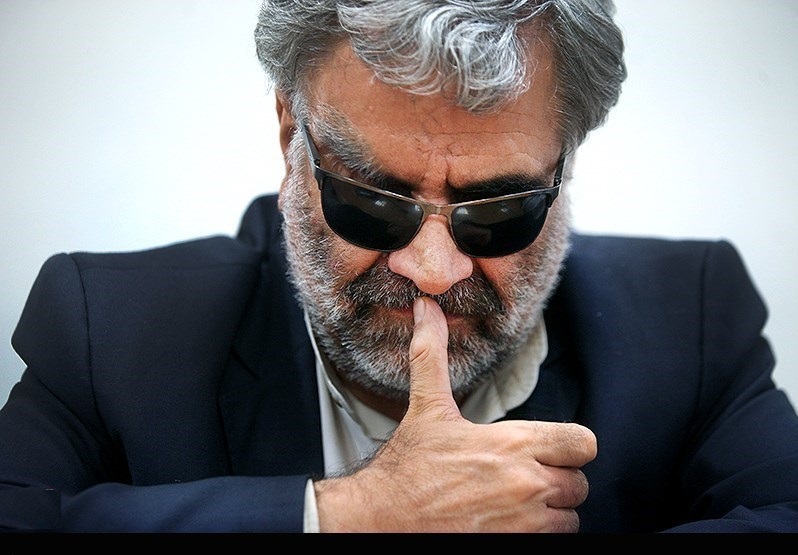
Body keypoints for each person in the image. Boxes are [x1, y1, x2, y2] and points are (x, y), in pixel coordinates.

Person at [1, 0, 797, 534]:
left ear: (565, 165)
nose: (432, 269)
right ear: (291, 137)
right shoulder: (107, 330)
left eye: (497, 211)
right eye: (373, 203)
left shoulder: (691, 317)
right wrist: (349, 514)